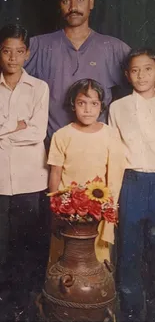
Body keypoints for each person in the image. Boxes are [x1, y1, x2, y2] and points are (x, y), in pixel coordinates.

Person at [25, 0, 130, 150]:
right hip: (52, 151)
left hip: (98, 151)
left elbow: (145, 83)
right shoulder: (39, 46)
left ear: (91, 2)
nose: (73, 7)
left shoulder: (112, 48)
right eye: (66, 1)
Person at [0, 24, 49, 320]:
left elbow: (36, 132)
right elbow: (23, 129)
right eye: (6, 51)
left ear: (28, 54)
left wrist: (4, 133)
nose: (13, 58)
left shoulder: (39, 88)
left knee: (24, 243)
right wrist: (14, 127)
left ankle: (21, 303)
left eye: (19, 51)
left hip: (29, 179)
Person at [47, 78, 125, 264]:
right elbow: (55, 174)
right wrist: (55, 206)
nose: (88, 109)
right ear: (73, 105)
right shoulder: (62, 135)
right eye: (82, 103)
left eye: (94, 103)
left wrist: (109, 207)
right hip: (68, 208)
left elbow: (114, 175)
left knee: (95, 259)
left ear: (101, 106)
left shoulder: (110, 134)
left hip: (98, 209)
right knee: (64, 256)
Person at [109, 48, 155, 322]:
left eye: (148, 68)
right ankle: (131, 312)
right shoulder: (118, 107)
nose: (141, 75)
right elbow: (114, 152)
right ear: (127, 74)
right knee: (129, 249)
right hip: (132, 182)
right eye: (135, 70)